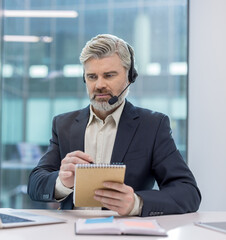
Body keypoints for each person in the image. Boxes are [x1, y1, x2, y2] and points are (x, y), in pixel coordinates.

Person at [27, 34, 201, 216]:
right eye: (92, 76)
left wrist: (136, 203)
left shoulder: (153, 126)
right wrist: (62, 182)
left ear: (130, 77)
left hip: (124, 231)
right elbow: (35, 184)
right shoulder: (64, 124)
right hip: (73, 231)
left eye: (109, 75)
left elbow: (188, 192)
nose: (99, 85)